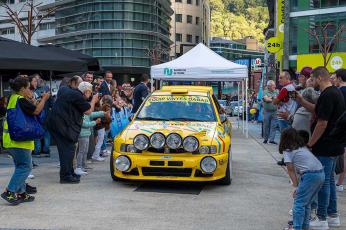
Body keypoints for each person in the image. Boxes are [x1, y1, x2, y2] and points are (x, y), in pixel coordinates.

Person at [296, 66, 345, 229]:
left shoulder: (328, 94)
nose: (311, 82)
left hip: (326, 145)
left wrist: (310, 144)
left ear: (318, 78)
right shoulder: (333, 93)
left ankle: (322, 218)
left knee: (323, 182)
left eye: (312, 79)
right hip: (333, 144)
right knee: (329, 180)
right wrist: (302, 101)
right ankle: (332, 215)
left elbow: (322, 123)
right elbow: (318, 111)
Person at [1, 76, 49, 205]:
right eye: (29, 88)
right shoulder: (20, 100)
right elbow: (37, 111)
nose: (30, 90)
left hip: (13, 140)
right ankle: (9, 191)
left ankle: (21, 192)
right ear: (22, 89)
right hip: (19, 142)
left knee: (20, 166)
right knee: (25, 167)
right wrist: (44, 99)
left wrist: (33, 100)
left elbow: (28, 110)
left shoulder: (13, 98)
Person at [47, 76, 99, 184]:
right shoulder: (77, 95)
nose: (90, 95)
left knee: (68, 149)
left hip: (57, 124)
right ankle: (65, 176)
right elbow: (88, 111)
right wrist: (93, 100)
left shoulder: (64, 90)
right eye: (89, 92)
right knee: (67, 150)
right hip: (63, 126)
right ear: (85, 91)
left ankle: (69, 172)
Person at [280, 128, 324, 230]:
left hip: (310, 175)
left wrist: (296, 186)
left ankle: (297, 227)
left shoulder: (288, 150)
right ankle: (304, 227)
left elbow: (290, 170)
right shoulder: (302, 147)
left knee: (299, 203)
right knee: (307, 203)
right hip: (320, 173)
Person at [75, 82, 105, 176]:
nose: (91, 93)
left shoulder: (84, 103)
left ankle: (83, 166)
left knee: (85, 151)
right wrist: (95, 122)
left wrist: (102, 113)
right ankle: (79, 167)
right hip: (82, 133)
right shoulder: (81, 104)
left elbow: (90, 114)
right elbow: (83, 122)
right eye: (89, 91)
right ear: (84, 91)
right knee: (81, 151)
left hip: (86, 133)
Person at [335, 68, 346, 192]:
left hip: (339, 125)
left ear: (339, 78)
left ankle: (338, 183)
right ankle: (340, 183)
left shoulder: (338, 92)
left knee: (341, 155)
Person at [262, 80, 279, 144]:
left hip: (275, 111)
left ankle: (272, 139)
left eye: (274, 85)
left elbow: (278, 99)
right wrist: (273, 98)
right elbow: (266, 99)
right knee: (266, 125)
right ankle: (265, 139)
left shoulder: (276, 91)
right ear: (269, 86)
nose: (274, 86)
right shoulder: (265, 92)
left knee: (274, 126)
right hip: (267, 111)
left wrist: (270, 98)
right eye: (273, 85)